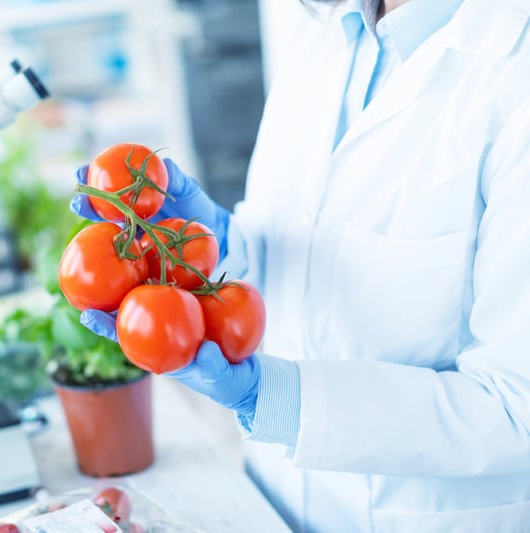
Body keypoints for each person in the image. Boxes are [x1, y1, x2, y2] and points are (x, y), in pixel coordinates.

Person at [71, 0, 530, 531]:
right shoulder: (329, 30)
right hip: (272, 498)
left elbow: (516, 410)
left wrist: (276, 398)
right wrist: (220, 247)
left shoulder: (512, 77)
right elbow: (318, 247)